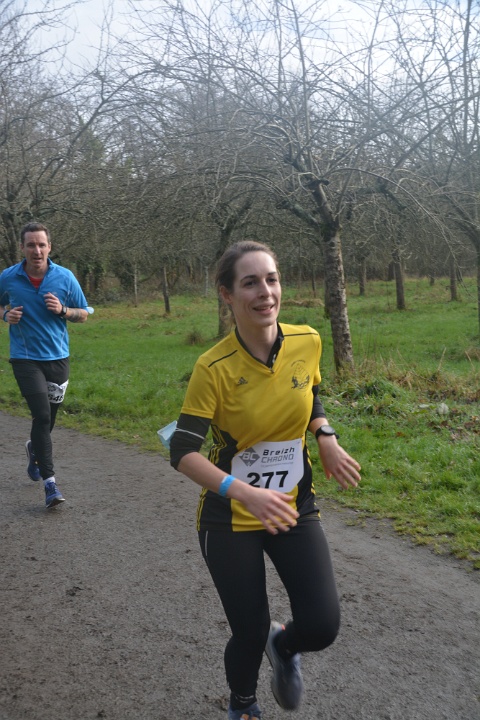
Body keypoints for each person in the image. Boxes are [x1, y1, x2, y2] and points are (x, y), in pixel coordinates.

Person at [169, 240, 361, 720]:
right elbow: (182, 452)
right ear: (227, 294)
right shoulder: (212, 367)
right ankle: (243, 704)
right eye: (250, 283)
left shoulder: (307, 340)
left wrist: (325, 434)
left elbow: (309, 392)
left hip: (293, 506)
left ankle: (285, 644)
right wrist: (245, 493)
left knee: (322, 625)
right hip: (229, 517)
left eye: (271, 279)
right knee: (249, 632)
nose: (265, 292)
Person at [0, 222, 89, 508]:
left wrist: (63, 310)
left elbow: (84, 313)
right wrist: (6, 315)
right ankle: (50, 484)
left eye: (41, 245)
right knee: (40, 415)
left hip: (58, 358)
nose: (36, 250)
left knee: (48, 419)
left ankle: (34, 449)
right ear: (22, 248)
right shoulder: (8, 277)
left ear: (49, 247)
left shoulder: (65, 277)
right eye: (31, 245)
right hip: (25, 358)